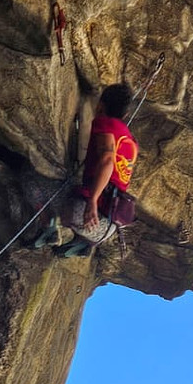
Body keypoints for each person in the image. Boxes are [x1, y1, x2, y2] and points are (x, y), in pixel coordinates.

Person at [32, 82, 138, 256]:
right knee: (72, 186)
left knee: (31, 178)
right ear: (125, 115)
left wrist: (92, 201)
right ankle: (82, 242)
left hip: (87, 214)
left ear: (100, 106)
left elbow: (107, 160)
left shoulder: (105, 123)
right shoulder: (132, 142)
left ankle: (49, 227)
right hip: (109, 227)